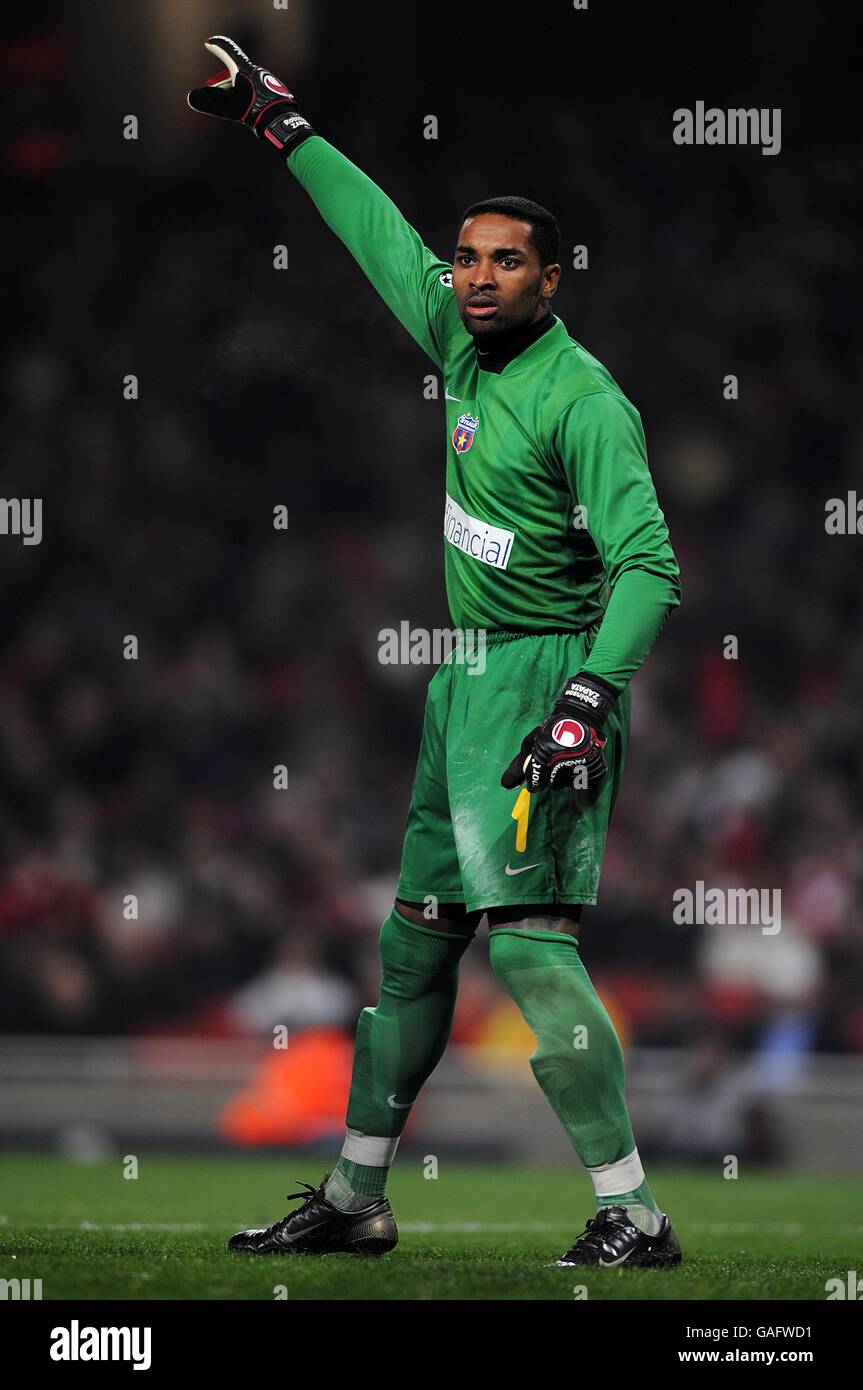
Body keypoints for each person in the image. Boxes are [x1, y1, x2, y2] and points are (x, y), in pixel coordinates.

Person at [188, 36, 683, 1269]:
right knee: (413, 943)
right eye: (464, 258)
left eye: (502, 261)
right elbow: (371, 230)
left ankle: (633, 1211)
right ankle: (356, 1197)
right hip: (463, 684)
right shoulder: (462, 345)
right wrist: (275, 122)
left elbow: (650, 566)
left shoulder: (583, 401)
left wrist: (583, 699)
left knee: (525, 944)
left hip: (541, 681)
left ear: (551, 282)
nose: (469, 277)